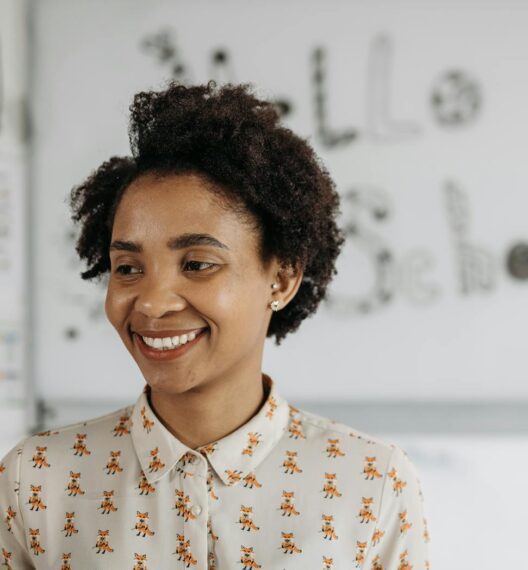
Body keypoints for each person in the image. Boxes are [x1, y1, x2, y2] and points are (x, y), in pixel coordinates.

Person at [0, 81, 430, 569]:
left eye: (198, 264)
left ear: (283, 277)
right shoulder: (35, 481)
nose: (153, 304)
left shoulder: (371, 482)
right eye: (128, 268)